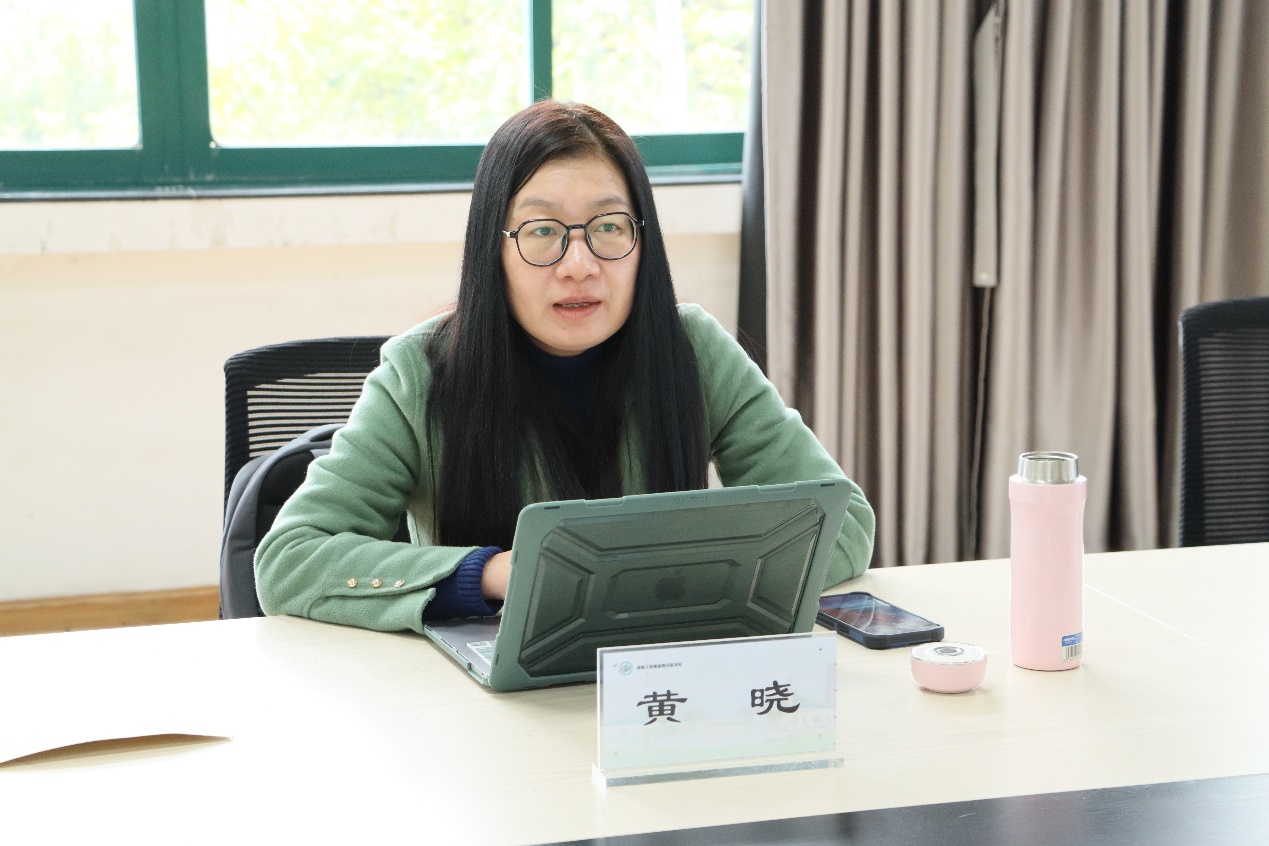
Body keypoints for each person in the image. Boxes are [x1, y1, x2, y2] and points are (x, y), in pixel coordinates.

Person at [255, 100, 875, 633]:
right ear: (492, 248)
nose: (579, 264)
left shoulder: (692, 349)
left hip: (659, 674)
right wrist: (498, 573)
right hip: (483, 695)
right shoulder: (419, 373)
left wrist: (673, 572)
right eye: (542, 231)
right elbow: (289, 559)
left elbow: (843, 522)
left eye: (608, 227)